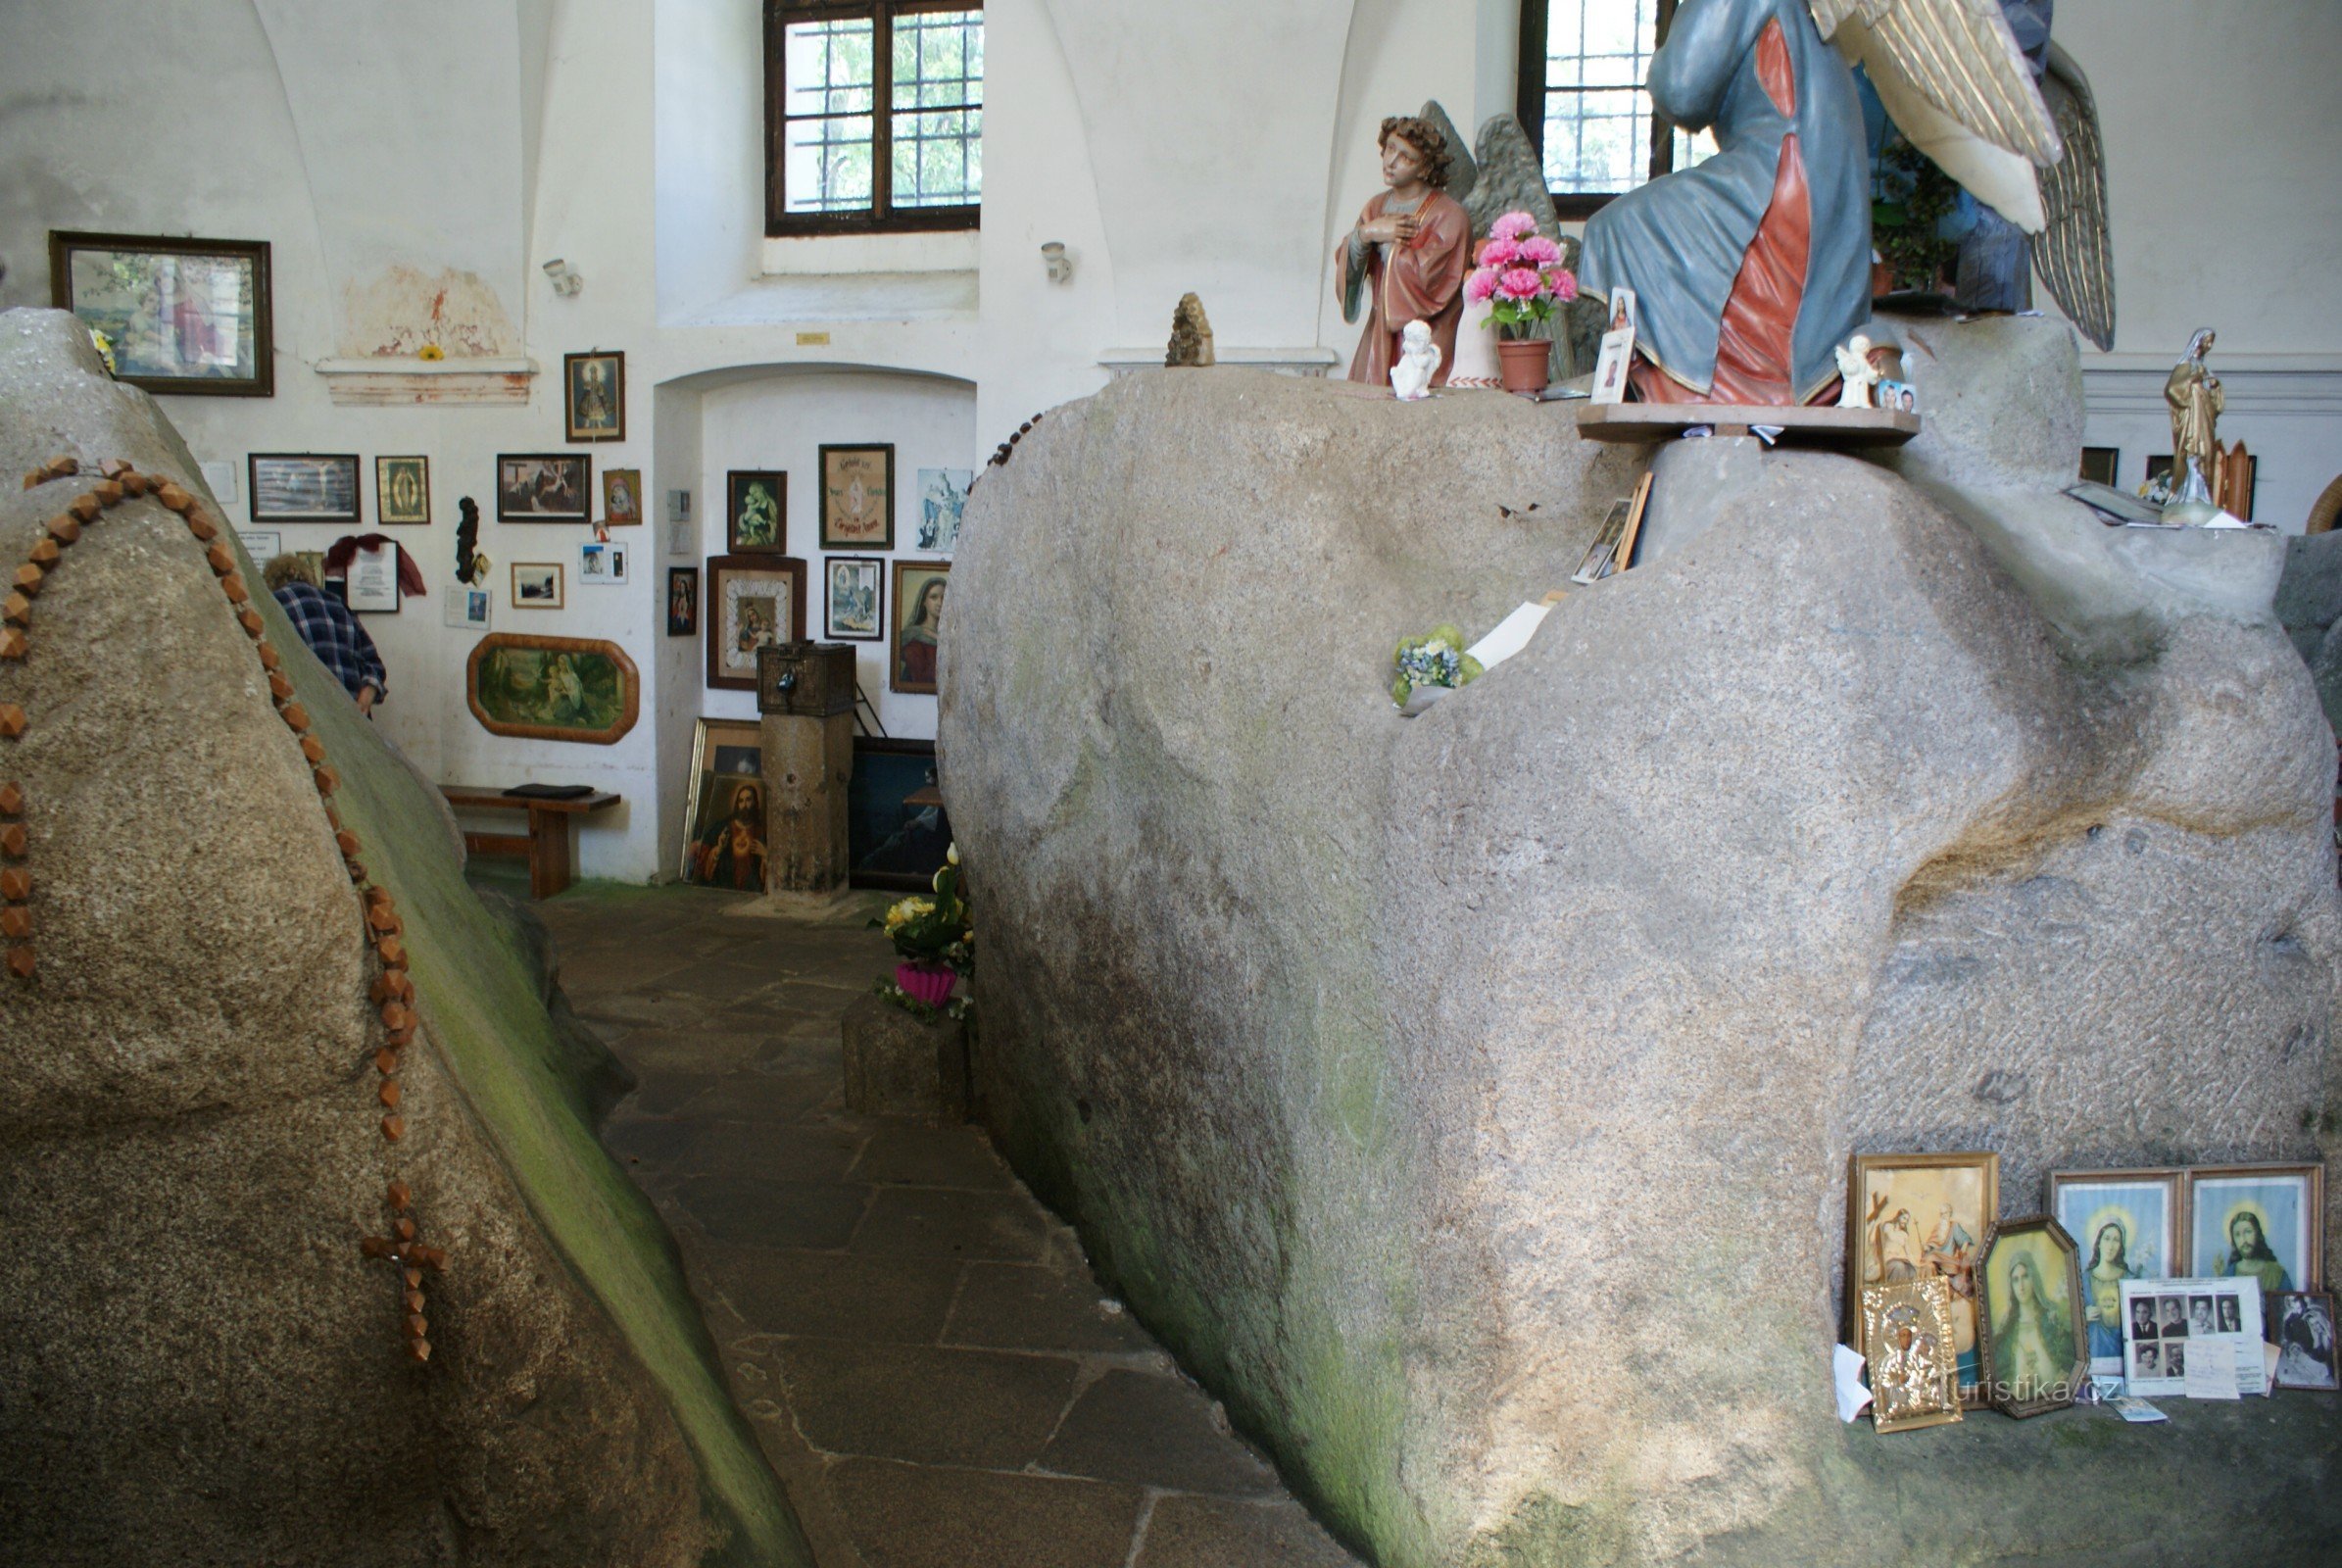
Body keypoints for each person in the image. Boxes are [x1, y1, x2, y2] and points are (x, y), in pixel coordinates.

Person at [1578, 0, 1870, 406]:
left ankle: (1697, 389)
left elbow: (1681, 89)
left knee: (1616, 229)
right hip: (1824, 187)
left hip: (1781, 176)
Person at [1339, 116, 1470, 391]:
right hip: (1378, 335)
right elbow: (1347, 262)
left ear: (1424, 167)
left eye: (1405, 157)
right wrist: (1366, 235)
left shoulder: (1448, 215)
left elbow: (1433, 281)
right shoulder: (1375, 207)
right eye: (1389, 149)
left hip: (1425, 339)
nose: (1391, 161)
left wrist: (1389, 246)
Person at [266, 554, 385, 714]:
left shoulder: (274, 604)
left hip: (311, 718)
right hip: (354, 720)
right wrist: (364, 701)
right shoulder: (338, 602)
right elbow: (375, 665)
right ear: (307, 575)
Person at [1991, 1253, 2076, 1401]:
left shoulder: (2052, 1319)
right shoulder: (2007, 1332)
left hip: (2057, 1399)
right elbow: (2001, 1378)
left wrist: (2062, 1377)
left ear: (2034, 1278)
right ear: (2011, 1285)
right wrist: (2018, 1387)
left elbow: (2069, 1359)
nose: (2021, 1286)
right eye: (2015, 1280)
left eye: (2025, 1277)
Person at [693, 781, 766, 891]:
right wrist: (718, 849)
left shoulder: (762, 831)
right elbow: (703, 866)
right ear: (737, 804)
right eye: (741, 801)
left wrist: (765, 855)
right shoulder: (723, 827)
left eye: (748, 800)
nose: (744, 805)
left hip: (752, 891)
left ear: (755, 802)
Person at [2083, 1221, 2137, 1364]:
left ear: (2121, 1247)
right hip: (2094, 1353)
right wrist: (2082, 1316)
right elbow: (2067, 1321)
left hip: (2121, 1352)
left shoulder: (2130, 1279)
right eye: (2106, 1238)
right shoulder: (2084, 1280)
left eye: (2116, 1240)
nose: (2111, 1246)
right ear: (2098, 1243)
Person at [2214, 1207, 2293, 1299]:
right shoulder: (2229, 1273)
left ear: (2258, 1234)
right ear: (2234, 1240)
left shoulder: (2277, 1273)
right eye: (2238, 1235)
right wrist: (2219, 1280)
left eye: (2248, 1232)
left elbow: (2288, 1305)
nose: (2243, 1240)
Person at [900, 576, 946, 687]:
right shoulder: (914, 637)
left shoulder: (951, 636)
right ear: (924, 601)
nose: (940, 602)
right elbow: (922, 678)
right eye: (934, 597)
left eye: (944, 597)